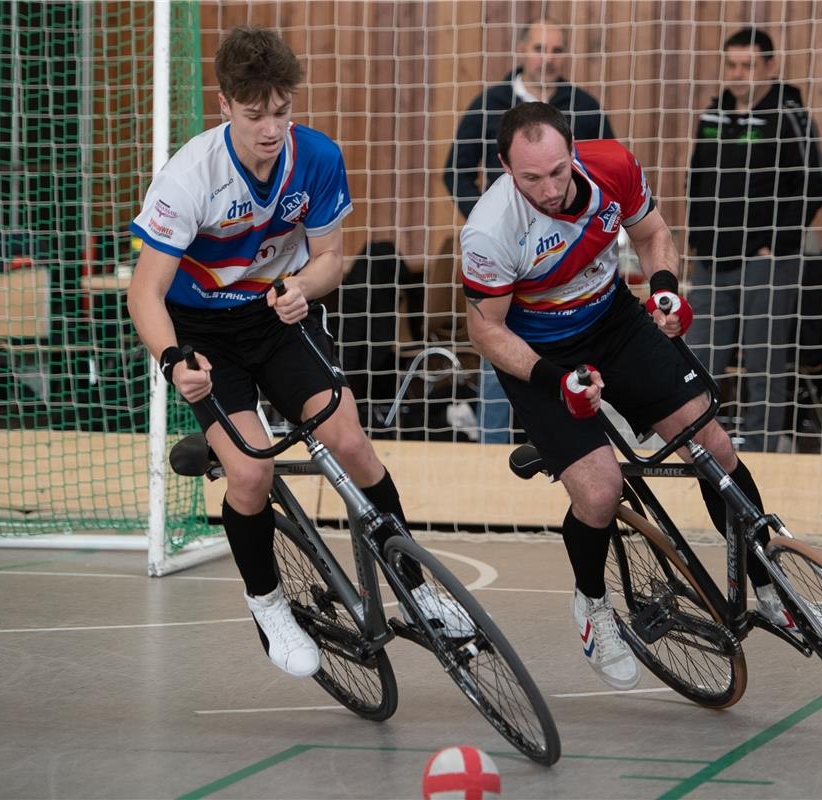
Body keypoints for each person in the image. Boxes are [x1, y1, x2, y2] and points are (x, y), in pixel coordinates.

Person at [127, 26, 467, 680]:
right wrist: (174, 361)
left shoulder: (315, 158)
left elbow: (330, 259)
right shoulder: (188, 178)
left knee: (352, 442)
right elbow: (145, 292)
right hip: (202, 334)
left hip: (277, 316)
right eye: (254, 115)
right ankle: (268, 603)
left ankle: (416, 585)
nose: (270, 129)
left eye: (281, 112)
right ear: (225, 105)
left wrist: (302, 287)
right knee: (251, 475)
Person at [460, 101, 788, 691]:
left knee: (712, 443)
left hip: (613, 321)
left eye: (559, 170)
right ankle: (592, 607)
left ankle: (769, 581)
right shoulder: (490, 228)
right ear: (506, 168)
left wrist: (664, 291)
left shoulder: (612, 165)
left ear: (574, 152)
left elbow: (653, 233)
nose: (550, 188)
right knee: (601, 489)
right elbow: (484, 331)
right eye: (531, 177)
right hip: (541, 354)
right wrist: (554, 381)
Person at [444, 18, 616, 444]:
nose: (548, 57)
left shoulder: (585, 106)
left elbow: (606, 175)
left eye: (556, 49)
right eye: (540, 47)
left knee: (583, 349)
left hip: (572, 259)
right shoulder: (491, 103)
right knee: (497, 344)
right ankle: (493, 447)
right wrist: (487, 222)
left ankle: (589, 447)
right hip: (513, 259)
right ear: (522, 50)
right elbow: (455, 171)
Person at [686, 27, 822, 453]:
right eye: (731, 65)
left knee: (764, 364)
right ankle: (693, 443)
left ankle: (764, 445)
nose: (738, 74)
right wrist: (697, 238)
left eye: (748, 65)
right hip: (712, 259)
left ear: (770, 66)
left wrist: (776, 243)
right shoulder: (713, 115)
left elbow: (814, 185)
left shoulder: (791, 116)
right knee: (697, 361)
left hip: (766, 262)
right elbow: (697, 179)